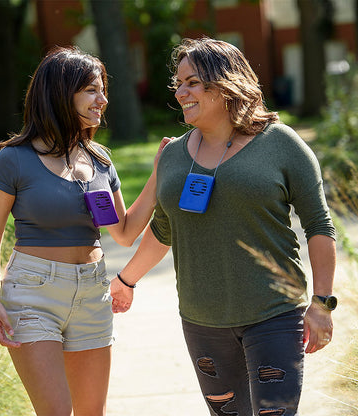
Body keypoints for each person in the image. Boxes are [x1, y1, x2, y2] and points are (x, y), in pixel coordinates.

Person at [111, 37, 337, 416]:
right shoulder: (173, 155)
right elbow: (164, 229)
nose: (181, 92)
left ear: (226, 82)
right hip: (202, 322)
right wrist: (126, 280)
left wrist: (322, 303)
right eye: (178, 83)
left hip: (274, 315)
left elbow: (319, 224)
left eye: (193, 82)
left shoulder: (281, 144)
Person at [0, 45, 169, 416]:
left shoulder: (99, 158)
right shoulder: (14, 159)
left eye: (103, 90)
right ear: (62, 93)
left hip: (92, 293)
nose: (103, 99)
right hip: (33, 295)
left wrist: (159, 171)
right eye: (92, 90)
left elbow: (125, 232)